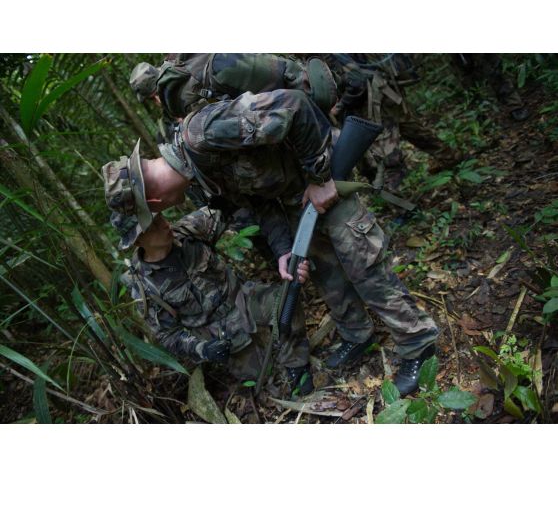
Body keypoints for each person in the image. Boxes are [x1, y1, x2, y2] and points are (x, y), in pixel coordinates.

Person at [102, 89, 439, 395]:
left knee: (362, 262)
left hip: (322, 178)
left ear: (155, 204)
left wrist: (321, 177)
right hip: (296, 201)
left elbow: (294, 104)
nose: (166, 218)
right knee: (325, 271)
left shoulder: (202, 134)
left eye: (157, 214)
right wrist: (282, 250)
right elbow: (257, 201)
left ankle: (418, 347)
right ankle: (357, 335)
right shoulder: (198, 175)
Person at [109, 204, 314, 397]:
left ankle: (297, 365)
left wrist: (281, 249)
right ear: (137, 240)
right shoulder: (143, 286)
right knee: (263, 377)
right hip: (220, 332)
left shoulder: (190, 229)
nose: (164, 224)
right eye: (153, 226)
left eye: (160, 217)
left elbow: (233, 204)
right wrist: (203, 349)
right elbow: (167, 335)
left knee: (287, 301)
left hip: (242, 298)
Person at [324, 53, 460, 185]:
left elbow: (357, 82)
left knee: (387, 157)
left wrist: (339, 106)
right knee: (412, 129)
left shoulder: (326, 54)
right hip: (387, 89)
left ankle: (398, 202)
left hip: (374, 102)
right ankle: (451, 157)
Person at [129, 53, 337, 123]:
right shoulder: (204, 66)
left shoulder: (180, 111)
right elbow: (284, 72)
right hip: (307, 115)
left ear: (154, 96)